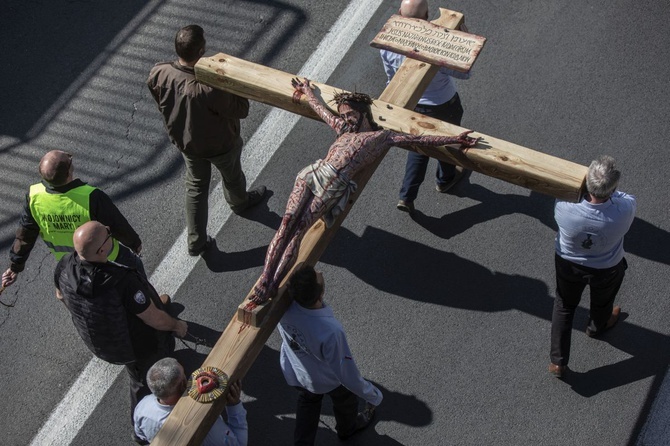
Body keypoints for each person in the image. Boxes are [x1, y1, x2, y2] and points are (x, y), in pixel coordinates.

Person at [250, 78, 479, 303]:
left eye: (349, 114)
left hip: (334, 182)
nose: (345, 119)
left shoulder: (380, 137)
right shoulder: (342, 129)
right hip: (311, 173)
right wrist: (307, 91)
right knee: (287, 222)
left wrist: (453, 139)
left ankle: (274, 283)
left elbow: (420, 139)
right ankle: (265, 278)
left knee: (299, 229)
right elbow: (320, 109)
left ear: (362, 114)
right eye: (343, 115)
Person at [54, 221, 188, 436]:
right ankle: (143, 430)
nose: (110, 232)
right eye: (108, 233)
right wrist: (177, 325)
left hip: (106, 343)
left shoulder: (65, 265)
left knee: (137, 376)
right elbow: (153, 319)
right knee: (145, 380)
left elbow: (61, 295)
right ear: (101, 250)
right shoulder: (120, 280)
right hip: (139, 345)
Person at [147, 24, 267, 256]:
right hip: (221, 144)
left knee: (196, 187)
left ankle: (196, 241)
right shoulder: (209, 88)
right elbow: (241, 110)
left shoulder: (159, 72)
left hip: (187, 143)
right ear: (201, 51)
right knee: (232, 176)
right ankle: (239, 202)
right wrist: (236, 86)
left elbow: (158, 97)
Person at [2, 150, 144, 288]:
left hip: (73, 266)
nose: (70, 158)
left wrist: (15, 266)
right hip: (108, 257)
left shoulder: (34, 196)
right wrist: (135, 243)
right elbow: (116, 224)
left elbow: (25, 234)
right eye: (69, 158)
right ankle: (153, 303)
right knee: (136, 269)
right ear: (69, 172)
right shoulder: (90, 196)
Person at [381, 0, 473, 214]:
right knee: (448, 142)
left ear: (399, 14)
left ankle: (407, 195)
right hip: (443, 104)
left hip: (413, 105)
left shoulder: (388, 40)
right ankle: (446, 178)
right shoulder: (436, 46)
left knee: (418, 148)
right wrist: (462, 35)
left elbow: (390, 77)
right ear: (426, 17)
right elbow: (464, 72)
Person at [549, 155, 636, 378]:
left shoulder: (564, 206)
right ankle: (597, 326)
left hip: (568, 263)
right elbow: (625, 197)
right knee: (603, 298)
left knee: (564, 305)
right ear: (612, 187)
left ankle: (558, 362)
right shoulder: (623, 210)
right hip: (606, 267)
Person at [278, 266, 382, 445]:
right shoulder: (331, 331)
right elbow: (346, 374)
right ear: (320, 296)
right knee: (346, 399)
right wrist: (372, 395)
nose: (322, 272)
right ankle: (347, 429)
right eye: (318, 276)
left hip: (299, 372)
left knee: (308, 404)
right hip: (328, 379)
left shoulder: (284, 309)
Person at [134, 357, 248, 446]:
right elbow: (239, 443)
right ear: (183, 384)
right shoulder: (206, 427)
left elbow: (140, 435)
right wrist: (234, 406)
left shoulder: (142, 407)